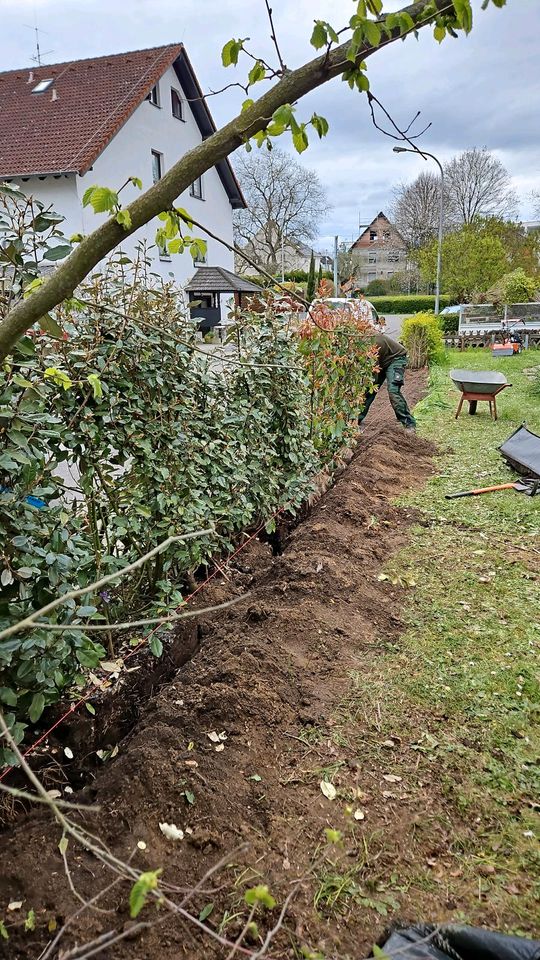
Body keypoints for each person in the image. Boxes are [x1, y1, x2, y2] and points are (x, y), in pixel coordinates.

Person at [359, 331, 416, 430]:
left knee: (393, 390)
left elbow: (373, 377)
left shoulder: (369, 346)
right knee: (368, 391)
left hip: (396, 358)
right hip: (381, 361)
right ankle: (356, 420)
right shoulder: (359, 344)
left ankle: (409, 423)